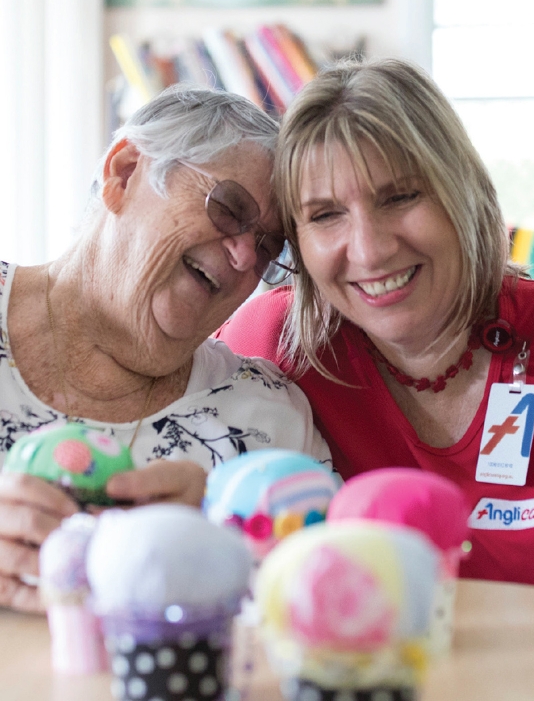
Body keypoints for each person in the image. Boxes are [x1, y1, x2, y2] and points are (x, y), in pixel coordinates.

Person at [217, 59, 534, 589]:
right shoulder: (269, 348)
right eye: (325, 214)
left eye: (400, 197)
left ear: (463, 191)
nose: (370, 249)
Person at [0, 84, 330, 611]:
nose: (246, 257)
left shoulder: (268, 420)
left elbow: (332, 599)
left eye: (270, 246)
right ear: (124, 171)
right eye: (229, 207)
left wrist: (227, 540)